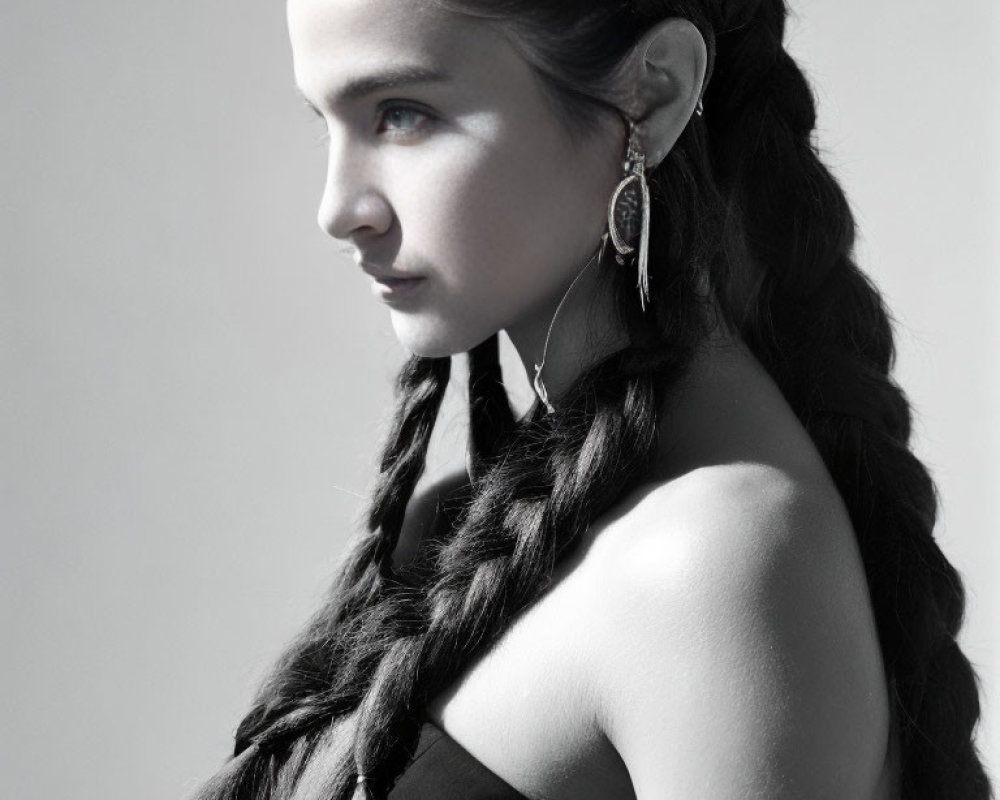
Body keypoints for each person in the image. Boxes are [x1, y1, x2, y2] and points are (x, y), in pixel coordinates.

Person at [194, 1, 991, 798]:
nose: (338, 209)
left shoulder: (715, 562)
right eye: (326, 121)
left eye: (403, 115)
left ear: (652, 91)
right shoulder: (474, 519)